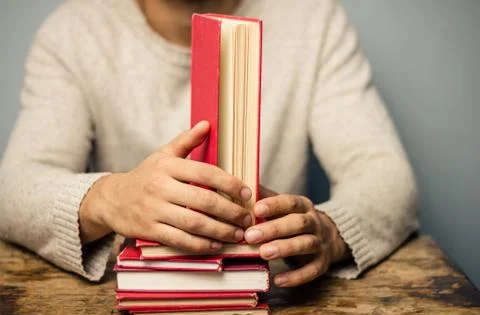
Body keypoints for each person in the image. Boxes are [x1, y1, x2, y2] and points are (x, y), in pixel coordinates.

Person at [0, 0, 419, 287]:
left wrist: (330, 232)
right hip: (132, 293)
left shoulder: (313, 19)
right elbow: (14, 186)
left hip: (264, 287)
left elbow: (385, 175)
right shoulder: (73, 31)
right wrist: (110, 198)